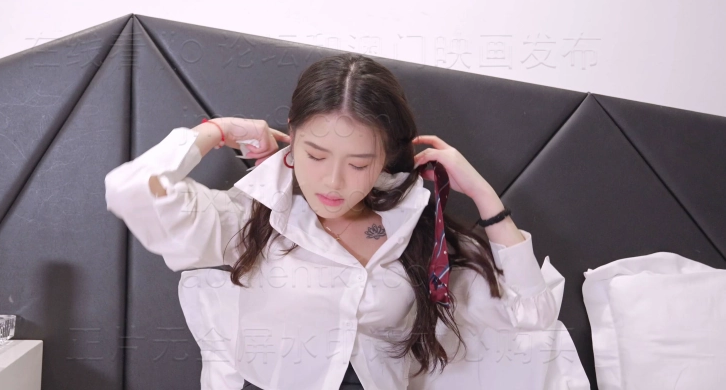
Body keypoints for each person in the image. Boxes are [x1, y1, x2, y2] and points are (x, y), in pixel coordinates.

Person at [104, 53, 560, 390]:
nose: (333, 182)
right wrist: (216, 132)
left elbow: (532, 317)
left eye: (359, 164)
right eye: (316, 155)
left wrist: (483, 196)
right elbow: (132, 190)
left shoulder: (418, 228)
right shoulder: (252, 217)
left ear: (386, 156)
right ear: (292, 133)